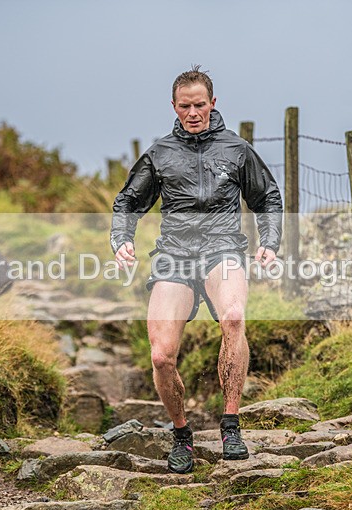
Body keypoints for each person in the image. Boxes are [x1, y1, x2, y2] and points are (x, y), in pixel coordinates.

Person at [110, 66, 283, 474]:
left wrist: (270, 241)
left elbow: (268, 197)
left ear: (213, 103)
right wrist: (121, 239)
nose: (193, 113)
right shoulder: (160, 153)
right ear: (174, 106)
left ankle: (231, 426)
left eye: (200, 105)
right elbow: (127, 201)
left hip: (223, 248)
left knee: (234, 317)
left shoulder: (237, 149)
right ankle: (181, 434)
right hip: (175, 254)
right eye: (185, 106)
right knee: (161, 356)